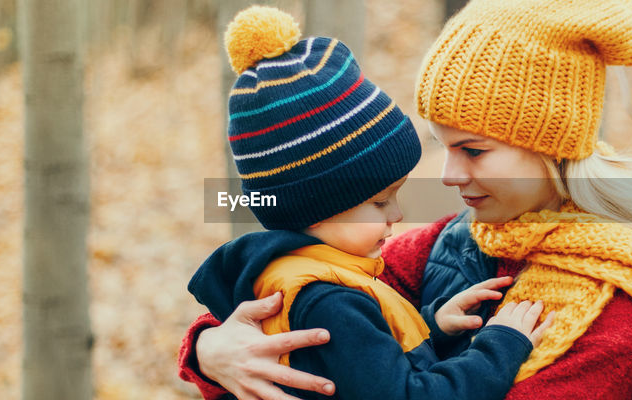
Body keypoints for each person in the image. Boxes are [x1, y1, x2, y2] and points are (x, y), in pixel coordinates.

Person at [179, 0, 632, 399]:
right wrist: (213, 351)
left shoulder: (614, 315)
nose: (448, 176)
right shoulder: (446, 243)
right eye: (442, 146)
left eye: (473, 150)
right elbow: (321, 312)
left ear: (552, 145)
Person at [186, 6, 552, 400]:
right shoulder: (330, 299)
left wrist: (432, 326)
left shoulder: (295, 272)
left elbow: (362, 364)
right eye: (380, 203)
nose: (398, 214)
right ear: (316, 206)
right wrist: (501, 345)